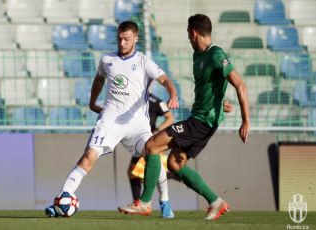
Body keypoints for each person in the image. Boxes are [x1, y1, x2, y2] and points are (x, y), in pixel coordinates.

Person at [118, 14, 250, 220]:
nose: (188, 38)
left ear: (194, 32)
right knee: (175, 164)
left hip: (200, 122)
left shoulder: (216, 54)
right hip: (202, 120)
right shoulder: (198, 55)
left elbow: (240, 84)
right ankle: (216, 202)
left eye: (189, 34)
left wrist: (245, 120)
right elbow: (213, 85)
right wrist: (220, 103)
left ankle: (144, 203)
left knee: (152, 145)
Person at [45, 20, 179, 217]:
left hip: (137, 124)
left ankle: (164, 201)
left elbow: (165, 80)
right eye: (119, 39)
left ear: (135, 39)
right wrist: (92, 102)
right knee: (89, 155)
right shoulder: (107, 60)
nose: (122, 43)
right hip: (110, 121)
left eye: (126, 39)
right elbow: (99, 79)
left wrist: (173, 95)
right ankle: (64, 197)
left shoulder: (143, 62)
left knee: (153, 155)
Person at [127, 92, 175, 218]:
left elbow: (170, 117)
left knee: (150, 170)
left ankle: (145, 203)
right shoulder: (133, 96)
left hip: (149, 140)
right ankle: (140, 203)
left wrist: (158, 132)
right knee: (134, 173)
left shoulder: (157, 101)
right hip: (138, 138)